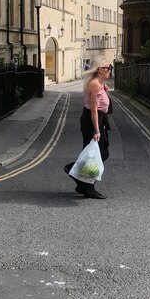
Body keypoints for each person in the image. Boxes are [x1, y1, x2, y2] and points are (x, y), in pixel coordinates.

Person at [65, 59, 111, 199]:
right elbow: (94, 110)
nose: (110, 70)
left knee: (100, 154)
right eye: (108, 67)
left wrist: (104, 88)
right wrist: (96, 130)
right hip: (92, 121)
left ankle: (82, 185)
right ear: (100, 70)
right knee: (96, 155)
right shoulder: (95, 85)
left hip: (98, 120)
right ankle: (78, 175)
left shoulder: (99, 84)